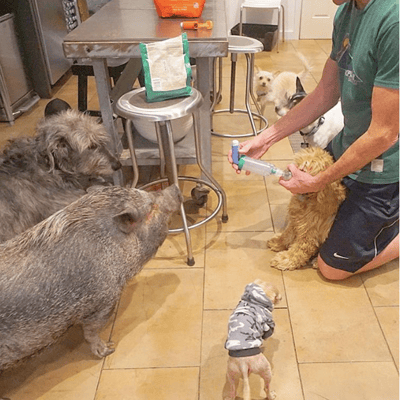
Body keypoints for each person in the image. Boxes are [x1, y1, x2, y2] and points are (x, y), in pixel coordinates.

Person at [228, 0, 399, 280]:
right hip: (349, 146)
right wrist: (267, 138)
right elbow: (325, 92)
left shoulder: (393, 22)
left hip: (385, 166)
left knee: (331, 266)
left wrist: (320, 181)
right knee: (310, 214)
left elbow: (384, 134)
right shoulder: (346, 12)